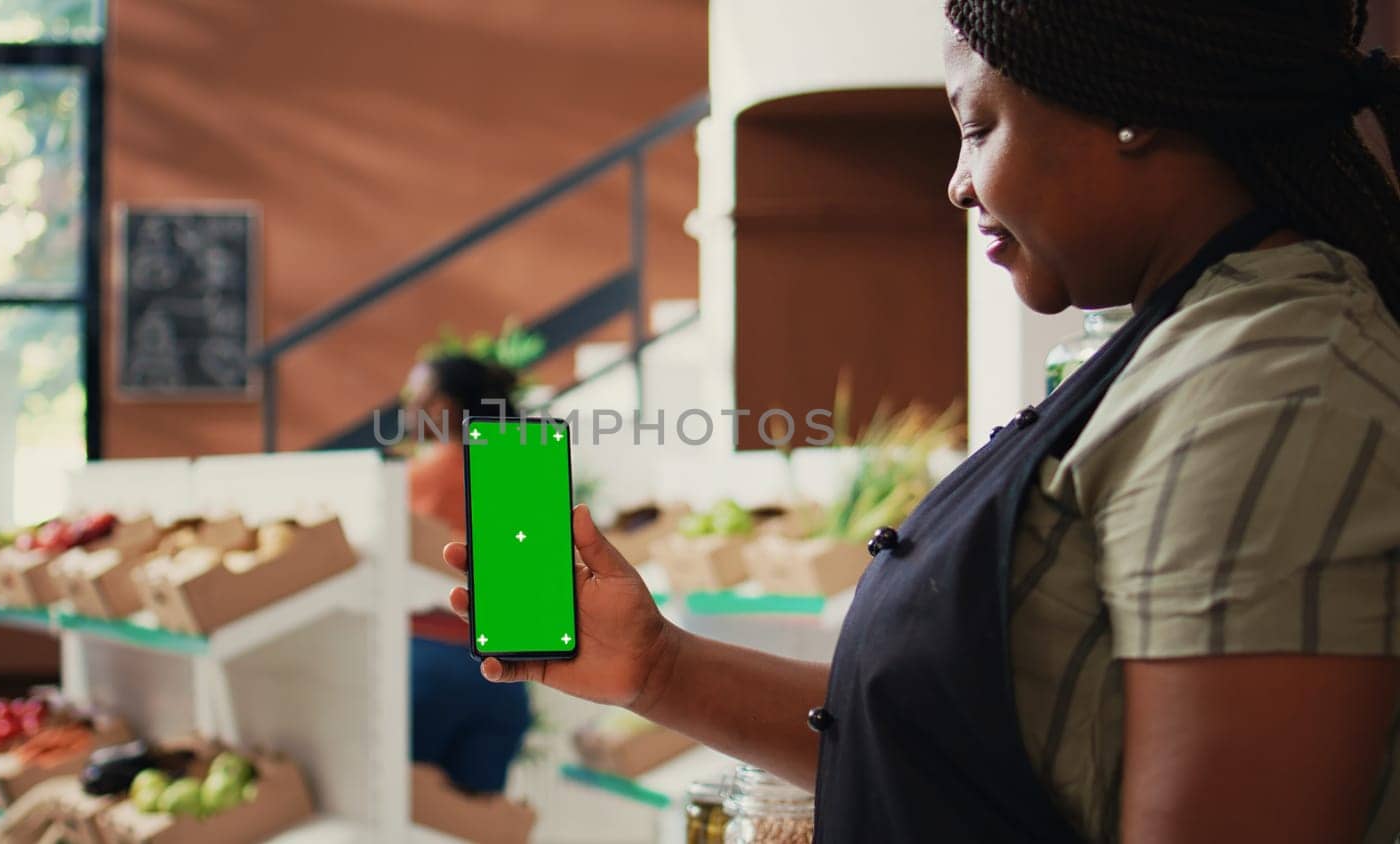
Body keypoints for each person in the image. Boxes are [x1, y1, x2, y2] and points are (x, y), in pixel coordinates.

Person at [440, 2, 1400, 841]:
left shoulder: (1274, 388)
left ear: (1131, 108)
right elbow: (966, 759)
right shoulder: (1175, 349)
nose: (957, 182)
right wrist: (658, 669)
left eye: (978, 126)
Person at [403, 354, 532, 795]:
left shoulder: (423, 476)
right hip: (502, 676)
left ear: (443, 408)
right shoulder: (516, 469)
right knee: (479, 824)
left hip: (428, 665)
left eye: (414, 397)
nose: (405, 408)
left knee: (409, 819)